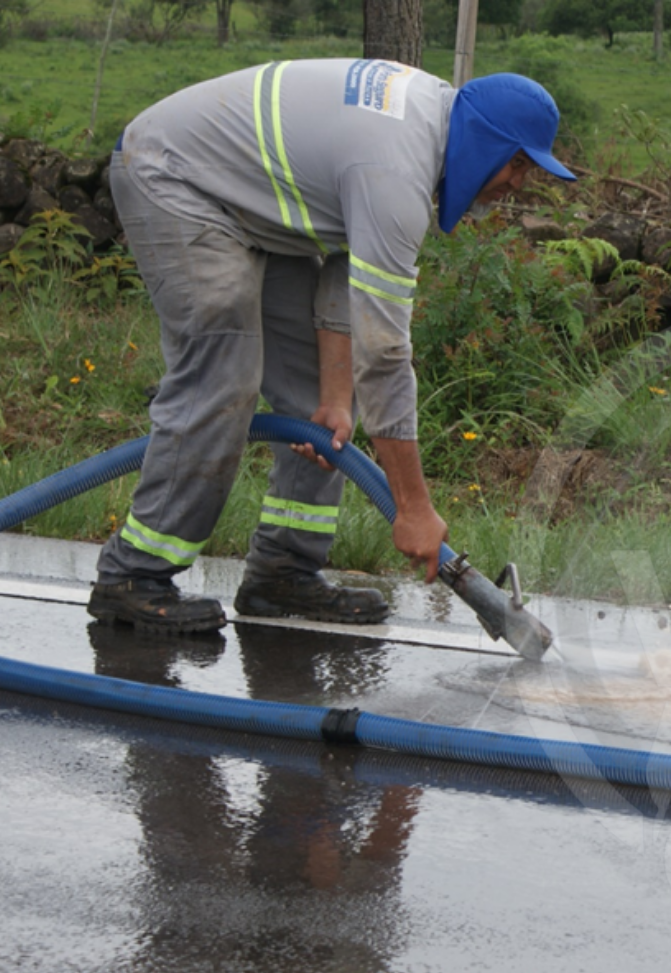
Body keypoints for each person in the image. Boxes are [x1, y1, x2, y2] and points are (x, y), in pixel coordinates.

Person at [88, 60, 575, 633]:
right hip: (174, 175)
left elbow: (347, 277)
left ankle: (283, 572)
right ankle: (134, 576)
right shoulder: (394, 167)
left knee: (316, 400)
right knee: (224, 368)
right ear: (485, 140)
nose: (518, 184)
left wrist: (336, 398)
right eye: (517, 163)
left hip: (252, 203)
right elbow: (384, 354)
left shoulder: (423, 140)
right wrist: (413, 509)